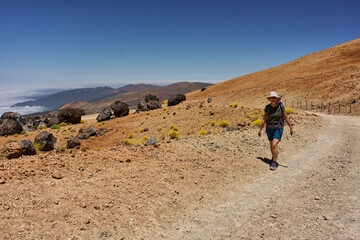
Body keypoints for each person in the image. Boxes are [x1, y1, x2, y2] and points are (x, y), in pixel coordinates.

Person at [258, 91, 293, 170]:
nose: (273, 99)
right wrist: (260, 129)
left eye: (274, 97)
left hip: (278, 128)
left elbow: (286, 117)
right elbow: (264, 118)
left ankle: (275, 162)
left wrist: (290, 127)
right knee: (271, 145)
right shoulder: (267, 107)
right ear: (269, 99)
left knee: (274, 144)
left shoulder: (281, 106)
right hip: (269, 128)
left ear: (277, 99)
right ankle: (274, 157)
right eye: (271, 98)